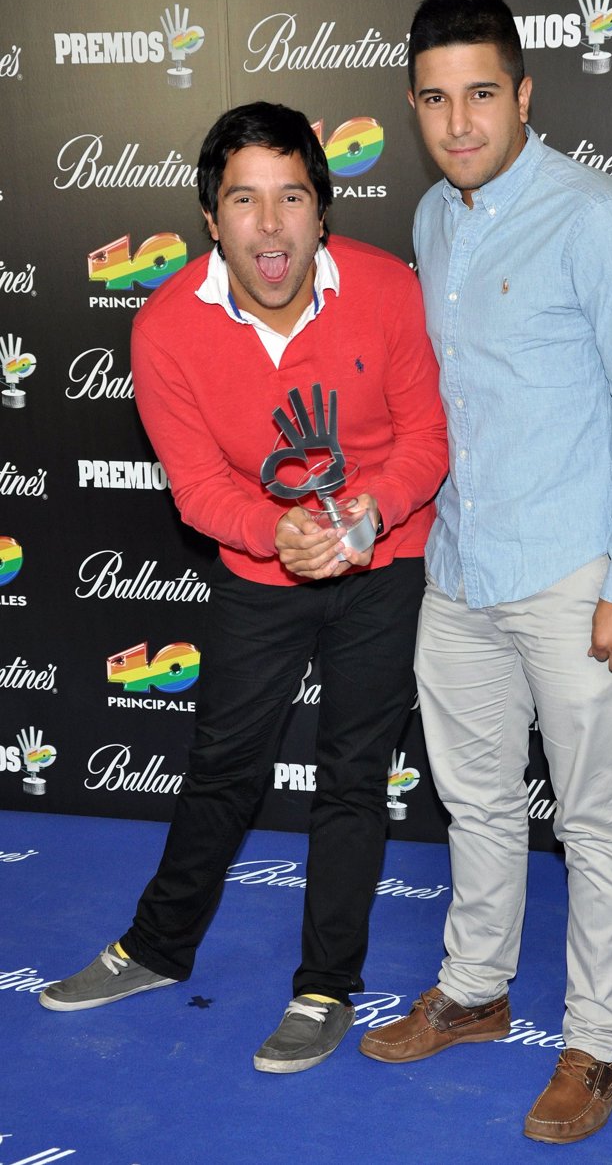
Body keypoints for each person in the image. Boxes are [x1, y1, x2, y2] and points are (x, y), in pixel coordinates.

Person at [39, 101, 448, 1075]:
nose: (270, 226)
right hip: (260, 568)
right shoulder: (164, 326)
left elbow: (427, 440)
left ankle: (326, 986)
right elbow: (197, 487)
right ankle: (155, 947)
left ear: (322, 210)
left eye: (291, 197)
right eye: (244, 201)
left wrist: (367, 515)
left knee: (353, 774)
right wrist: (277, 533)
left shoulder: (388, 288)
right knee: (223, 765)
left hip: (386, 560)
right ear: (211, 218)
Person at [359, 0, 612, 1144]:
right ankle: (474, 988)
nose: (458, 123)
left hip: (570, 572)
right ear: (413, 106)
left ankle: (595, 1045)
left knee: (594, 818)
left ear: (524, 94)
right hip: (458, 566)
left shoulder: (597, 219)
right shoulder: (429, 217)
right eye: (434, 99)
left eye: (481, 95)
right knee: (476, 800)